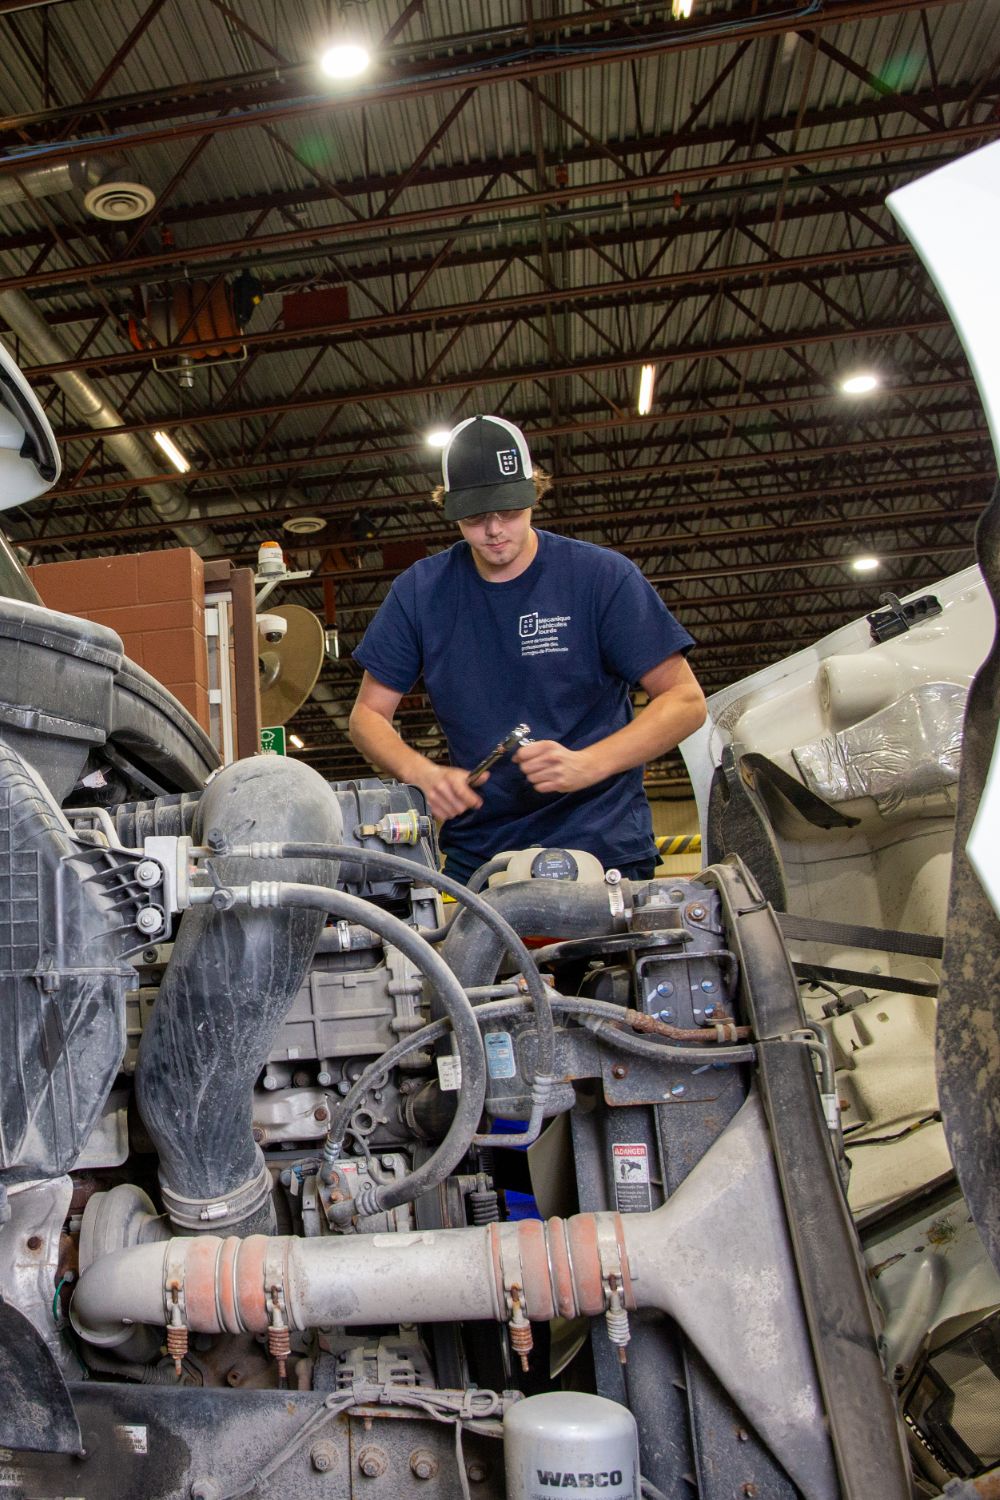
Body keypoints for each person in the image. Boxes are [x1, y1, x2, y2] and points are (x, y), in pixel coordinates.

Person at [349, 414, 706, 884]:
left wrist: (587, 764)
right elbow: (367, 716)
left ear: (534, 493)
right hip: (482, 856)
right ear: (451, 508)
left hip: (603, 846)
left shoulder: (600, 578)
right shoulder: (421, 592)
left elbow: (685, 702)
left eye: (510, 510)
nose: (494, 530)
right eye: (475, 517)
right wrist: (423, 773)